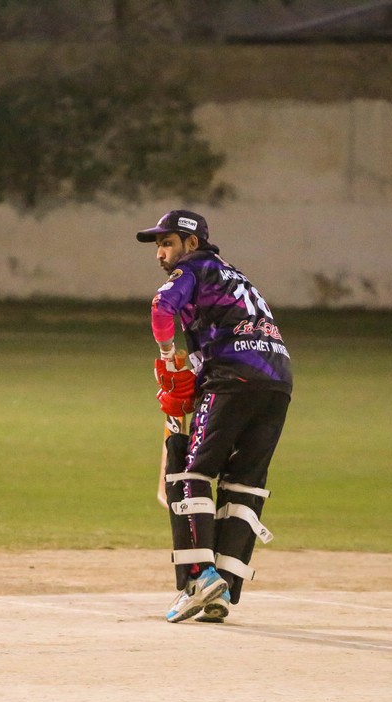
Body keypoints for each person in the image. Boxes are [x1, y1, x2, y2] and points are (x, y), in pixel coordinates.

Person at [137, 210, 293, 623]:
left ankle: (200, 579)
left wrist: (168, 359)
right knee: (243, 483)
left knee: (192, 472)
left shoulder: (194, 268)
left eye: (167, 243)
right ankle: (221, 589)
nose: (160, 253)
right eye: (158, 245)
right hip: (278, 382)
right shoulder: (235, 275)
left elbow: (161, 308)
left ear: (191, 243)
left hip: (232, 377)